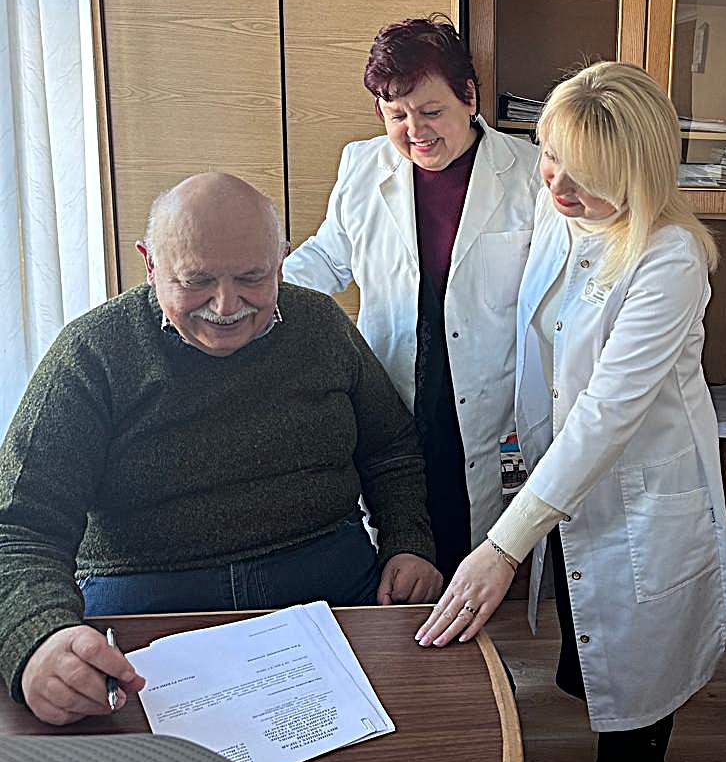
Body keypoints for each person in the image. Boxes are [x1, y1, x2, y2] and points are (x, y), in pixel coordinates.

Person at [0, 173, 441, 726]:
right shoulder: (92, 354)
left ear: (280, 262)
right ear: (150, 265)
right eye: (197, 280)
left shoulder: (321, 326)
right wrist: (39, 636)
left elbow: (391, 450)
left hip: (329, 587)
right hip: (143, 602)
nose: (226, 305)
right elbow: (21, 526)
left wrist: (408, 543)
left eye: (252, 278)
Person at [414, 62, 726, 762]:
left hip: (640, 499)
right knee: (591, 652)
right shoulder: (558, 211)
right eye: (552, 157)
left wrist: (503, 546)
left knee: (638, 695)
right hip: (564, 488)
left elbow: (605, 415)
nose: (558, 185)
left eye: (585, 176)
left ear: (639, 175)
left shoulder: (670, 258)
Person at [284, 15, 539, 581]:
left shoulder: (527, 173)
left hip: (492, 397)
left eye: (431, 112)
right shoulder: (362, 165)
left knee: (484, 548)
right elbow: (329, 257)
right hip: (396, 387)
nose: (415, 131)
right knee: (405, 541)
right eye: (396, 115)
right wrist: (263, 293)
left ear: (468, 96)